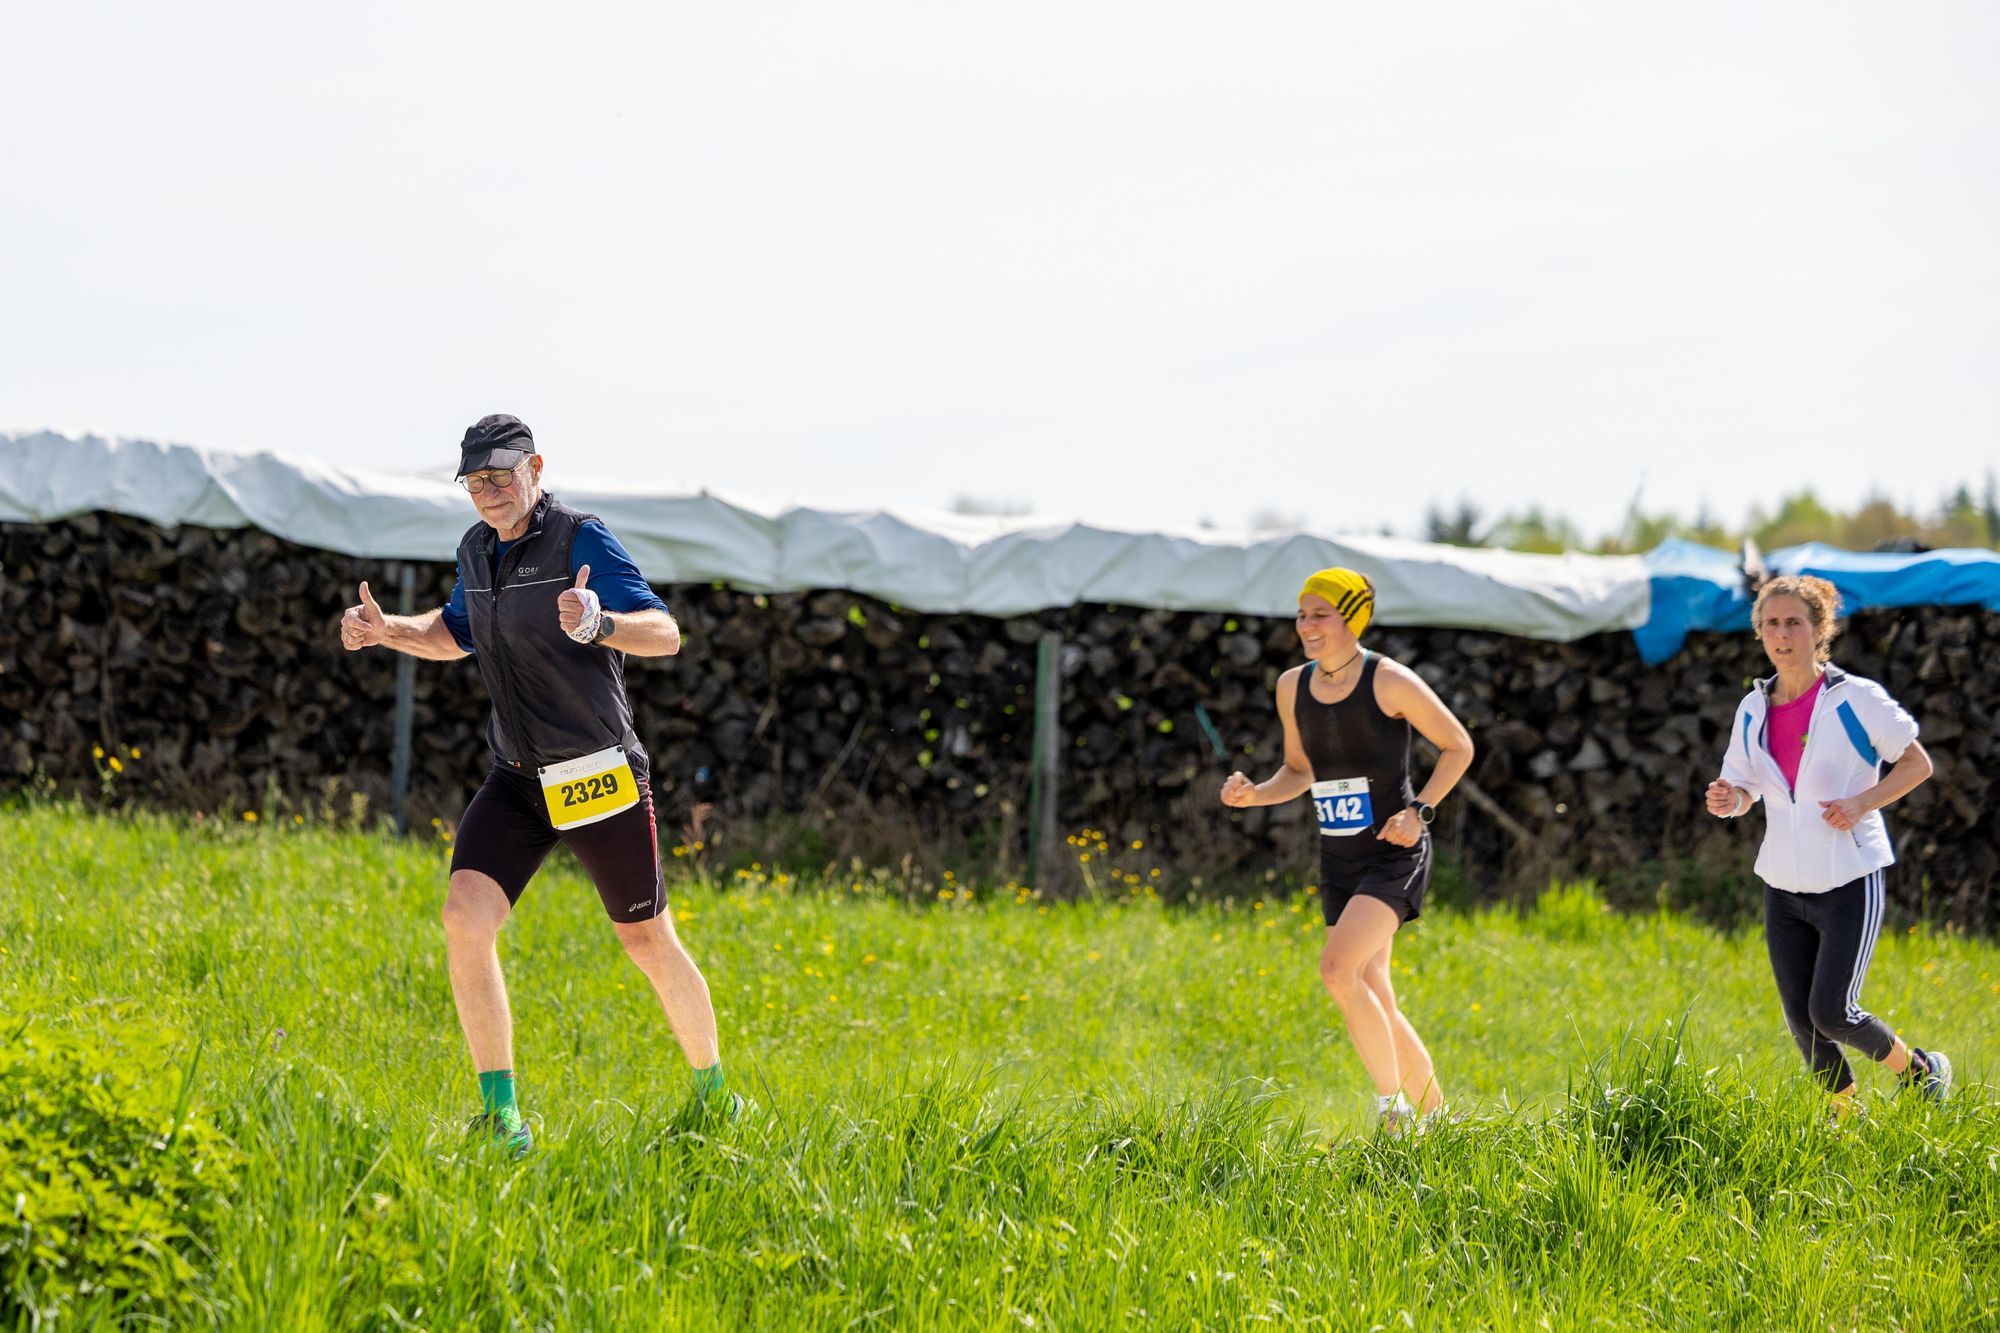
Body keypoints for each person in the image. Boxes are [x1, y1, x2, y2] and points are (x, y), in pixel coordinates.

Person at [340, 413, 739, 1155]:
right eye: (474, 479)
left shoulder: (581, 537)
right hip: (518, 778)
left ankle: (716, 1098)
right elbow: (455, 632)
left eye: (500, 474)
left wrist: (600, 621)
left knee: (647, 939)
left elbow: (665, 631)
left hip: (597, 774)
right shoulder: (476, 550)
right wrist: (389, 627)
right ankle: (503, 1119)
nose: (487, 490)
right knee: (464, 918)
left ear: (536, 467)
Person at [1221, 568, 1475, 1133]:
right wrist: (1254, 795)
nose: (1306, 625)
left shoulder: (1389, 681)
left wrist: (1420, 811)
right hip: (1340, 857)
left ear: (1351, 619)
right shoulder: (1292, 686)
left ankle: (1394, 1112)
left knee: (1337, 971)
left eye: (1321, 614)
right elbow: (1299, 770)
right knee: (1374, 989)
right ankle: (1443, 1121)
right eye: (1302, 613)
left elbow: (1458, 745)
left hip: (1395, 852)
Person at [1705, 574, 1952, 1110]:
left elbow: (1917, 764)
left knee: (1832, 1011)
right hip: (1782, 884)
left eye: (1794, 621)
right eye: (1771, 622)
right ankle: (1843, 1123)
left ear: (1820, 630)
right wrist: (1733, 799)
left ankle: (1921, 1070)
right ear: (1760, 633)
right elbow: (1746, 785)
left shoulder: (1855, 699)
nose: (1782, 633)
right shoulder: (1752, 709)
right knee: (1802, 1021)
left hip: (1849, 878)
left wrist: (1864, 802)